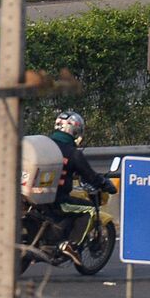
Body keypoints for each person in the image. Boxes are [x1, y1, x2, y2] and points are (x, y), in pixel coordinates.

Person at [48, 110, 112, 265]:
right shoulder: (73, 153)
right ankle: (71, 245)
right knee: (89, 210)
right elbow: (90, 176)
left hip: (35, 195)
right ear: (74, 130)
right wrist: (105, 184)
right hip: (57, 200)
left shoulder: (44, 144)